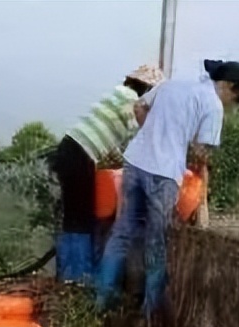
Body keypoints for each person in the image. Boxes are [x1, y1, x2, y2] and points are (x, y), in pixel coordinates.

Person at [95, 59, 239, 315]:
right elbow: (202, 153)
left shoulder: (174, 84)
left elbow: (139, 107)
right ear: (229, 86)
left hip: (134, 163)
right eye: (234, 98)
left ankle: (101, 300)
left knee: (122, 232)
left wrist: (154, 135)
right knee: (157, 241)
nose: (229, 104)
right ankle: (150, 312)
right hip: (163, 174)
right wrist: (193, 164)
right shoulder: (212, 105)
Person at [50, 64, 165, 285]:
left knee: (72, 216)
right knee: (82, 217)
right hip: (80, 155)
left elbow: (116, 142)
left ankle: (68, 275)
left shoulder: (119, 94)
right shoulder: (132, 102)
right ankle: (81, 276)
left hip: (70, 150)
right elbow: (139, 139)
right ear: (147, 89)